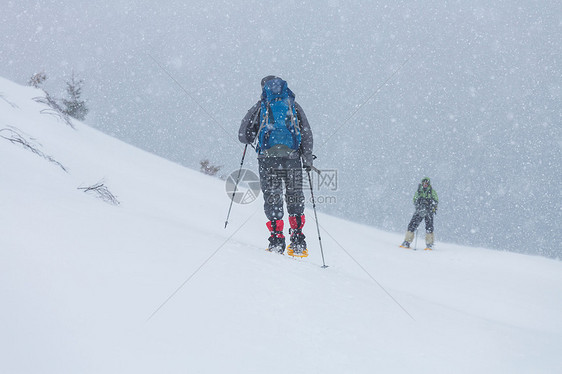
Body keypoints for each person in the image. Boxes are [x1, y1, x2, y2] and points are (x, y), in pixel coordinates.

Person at [238, 76, 313, 257]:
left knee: (273, 197)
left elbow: (243, 135)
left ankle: (276, 240)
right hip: (293, 158)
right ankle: (298, 241)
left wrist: (253, 137)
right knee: (295, 196)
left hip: (267, 159)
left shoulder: (260, 106)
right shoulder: (293, 105)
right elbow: (306, 132)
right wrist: (307, 158)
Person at [400, 177, 439, 250]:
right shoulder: (419, 191)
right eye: (424, 183)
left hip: (428, 212)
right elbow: (414, 200)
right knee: (412, 225)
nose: (425, 185)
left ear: (428, 184)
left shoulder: (432, 192)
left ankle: (429, 245)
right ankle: (407, 242)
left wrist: (429, 203)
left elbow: (436, 201)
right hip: (420, 210)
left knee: (429, 227)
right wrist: (419, 203)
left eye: (426, 184)